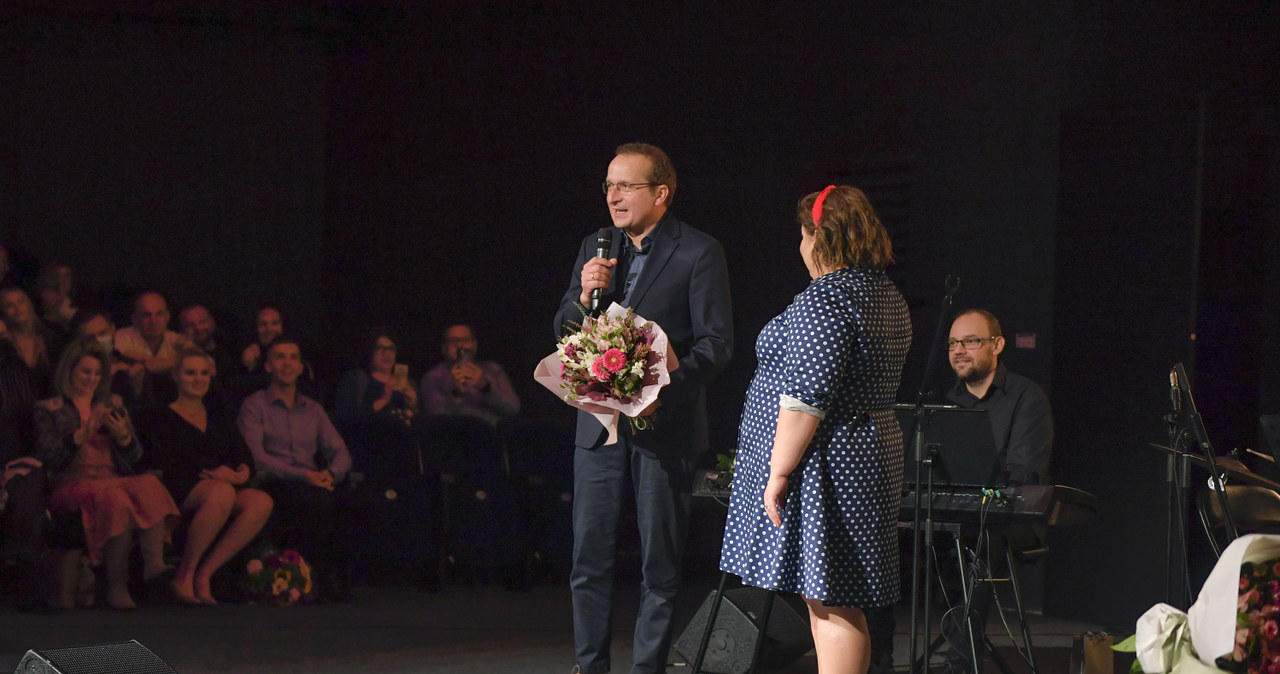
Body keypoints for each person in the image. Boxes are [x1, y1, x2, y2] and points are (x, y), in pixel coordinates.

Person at [554, 142, 733, 674]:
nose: (613, 196)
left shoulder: (699, 251)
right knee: (588, 560)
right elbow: (563, 326)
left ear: (661, 192)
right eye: (608, 185)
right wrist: (583, 295)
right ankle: (590, 666)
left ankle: (647, 668)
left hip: (664, 428)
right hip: (598, 430)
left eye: (626, 186)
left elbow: (716, 345)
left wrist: (657, 385)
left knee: (659, 566)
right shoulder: (597, 244)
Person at [720, 185, 912, 674]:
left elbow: (806, 398)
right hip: (864, 451)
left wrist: (778, 471)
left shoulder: (825, 299)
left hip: (826, 463)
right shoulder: (883, 292)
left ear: (818, 237)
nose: (799, 247)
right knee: (836, 598)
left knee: (830, 601)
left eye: (802, 235)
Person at [934, 308, 1053, 673]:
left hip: (1008, 521)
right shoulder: (947, 403)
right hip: (953, 515)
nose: (959, 350)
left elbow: (1024, 475)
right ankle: (879, 660)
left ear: (997, 344)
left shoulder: (1025, 397)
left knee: (975, 541)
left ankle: (961, 664)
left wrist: (976, 496)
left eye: (970, 341)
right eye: (953, 343)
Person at [34, 339, 180, 610]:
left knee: (148, 483)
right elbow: (48, 458)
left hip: (111, 479)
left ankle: (154, 564)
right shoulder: (50, 409)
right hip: (72, 483)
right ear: (70, 371)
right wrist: (82, 434)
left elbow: (135, 458)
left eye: (97, 373)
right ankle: (116, 586)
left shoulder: (111, 405)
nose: (91, 378)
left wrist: (124, 436)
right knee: (116, 497)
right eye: (85, 371)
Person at [135, 347, 273, 605]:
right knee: (222, 491)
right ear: (176, 376)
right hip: (176, 488)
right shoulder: (158, 415)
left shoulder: (219, 415)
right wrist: (215, 473)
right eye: (190, 373)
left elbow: (242, 455)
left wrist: (242, 470)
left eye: (203, 373)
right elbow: (163, 460)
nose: (198, 379)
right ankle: (184, 574)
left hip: (218, 486)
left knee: (260, 500)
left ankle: (205, 573)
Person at [237, 334, 352, 600]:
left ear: (301, 367)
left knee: (349, 498)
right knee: (315, 499)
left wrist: (330, 473)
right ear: (268, 366)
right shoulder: (254, 405)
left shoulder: (313, 409)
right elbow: (256, 457)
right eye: (280, 357)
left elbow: (341, 451)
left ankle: (326, 578)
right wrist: (306, 475)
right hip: (272, 481)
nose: (287, 364)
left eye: (293, 358)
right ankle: (315, 578)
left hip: (311, 480)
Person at [420, 322, 520, 427]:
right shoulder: (433, 377)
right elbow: (437, 421)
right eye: (453, 341)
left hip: (493, 436)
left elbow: (513, 408)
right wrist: (457, 394)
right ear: (444, 348)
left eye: (465, 340)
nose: (460, 345)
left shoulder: (493, 369)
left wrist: (486, 387)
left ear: (474, 345)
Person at [112, 291, 191, 407]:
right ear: (135, 319)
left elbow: (206, 362)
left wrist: (155, 363)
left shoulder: (176, 339)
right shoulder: (121, 337)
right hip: (131, 403)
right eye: (146, 315)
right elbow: (144, 363)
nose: (153, 321)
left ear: (167, 317)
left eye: (159, 314)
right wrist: (179, 361)